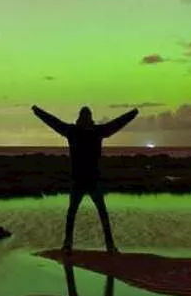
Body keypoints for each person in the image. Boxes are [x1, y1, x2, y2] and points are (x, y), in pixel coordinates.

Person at [31, 104, 139, 253]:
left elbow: (54, 122)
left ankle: (77, 245)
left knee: (78, 214)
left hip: (85, 180)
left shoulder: (76, 131)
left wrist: (133, 113)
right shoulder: (88, 131)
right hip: (86, 180)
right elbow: (54, 122)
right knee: (90, 214)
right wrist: (38, 112)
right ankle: (104, 246)